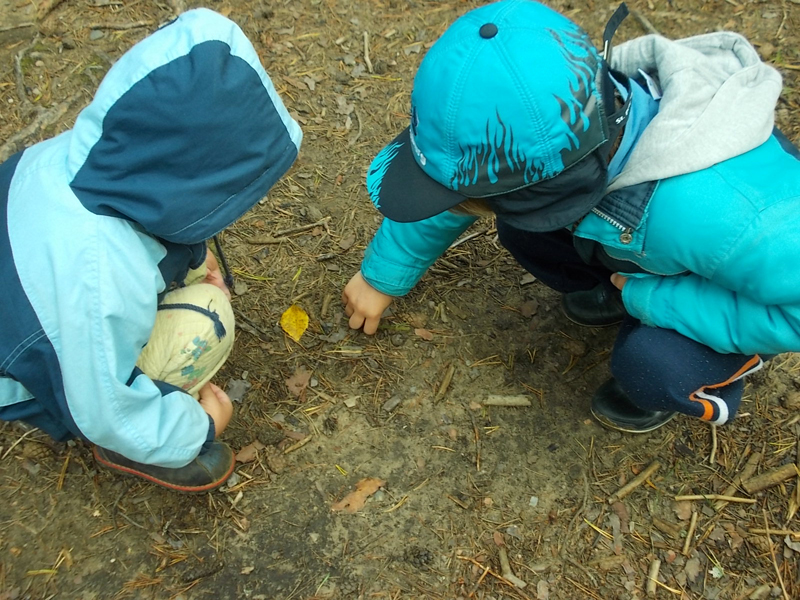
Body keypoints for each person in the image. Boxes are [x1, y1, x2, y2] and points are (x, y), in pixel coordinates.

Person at [342, 0, 800, 433]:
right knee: (521, 230)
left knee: (651, 367)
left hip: (743, 284)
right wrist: (384, 274)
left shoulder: (740, 217)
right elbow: (457, 175)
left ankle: (703, 371)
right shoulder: (564, 98)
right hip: (651, 236)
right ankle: (620, 291)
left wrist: (654, 300)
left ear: (552, 187)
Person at [0, 8, 302, 491]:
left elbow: (151, 206)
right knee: (207, 320)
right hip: (25, 367)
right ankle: (137, 450)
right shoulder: (97, 281)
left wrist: (194, 258)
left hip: (34, 300)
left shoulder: (71, 155)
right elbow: (104, 405)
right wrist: (197, 429)